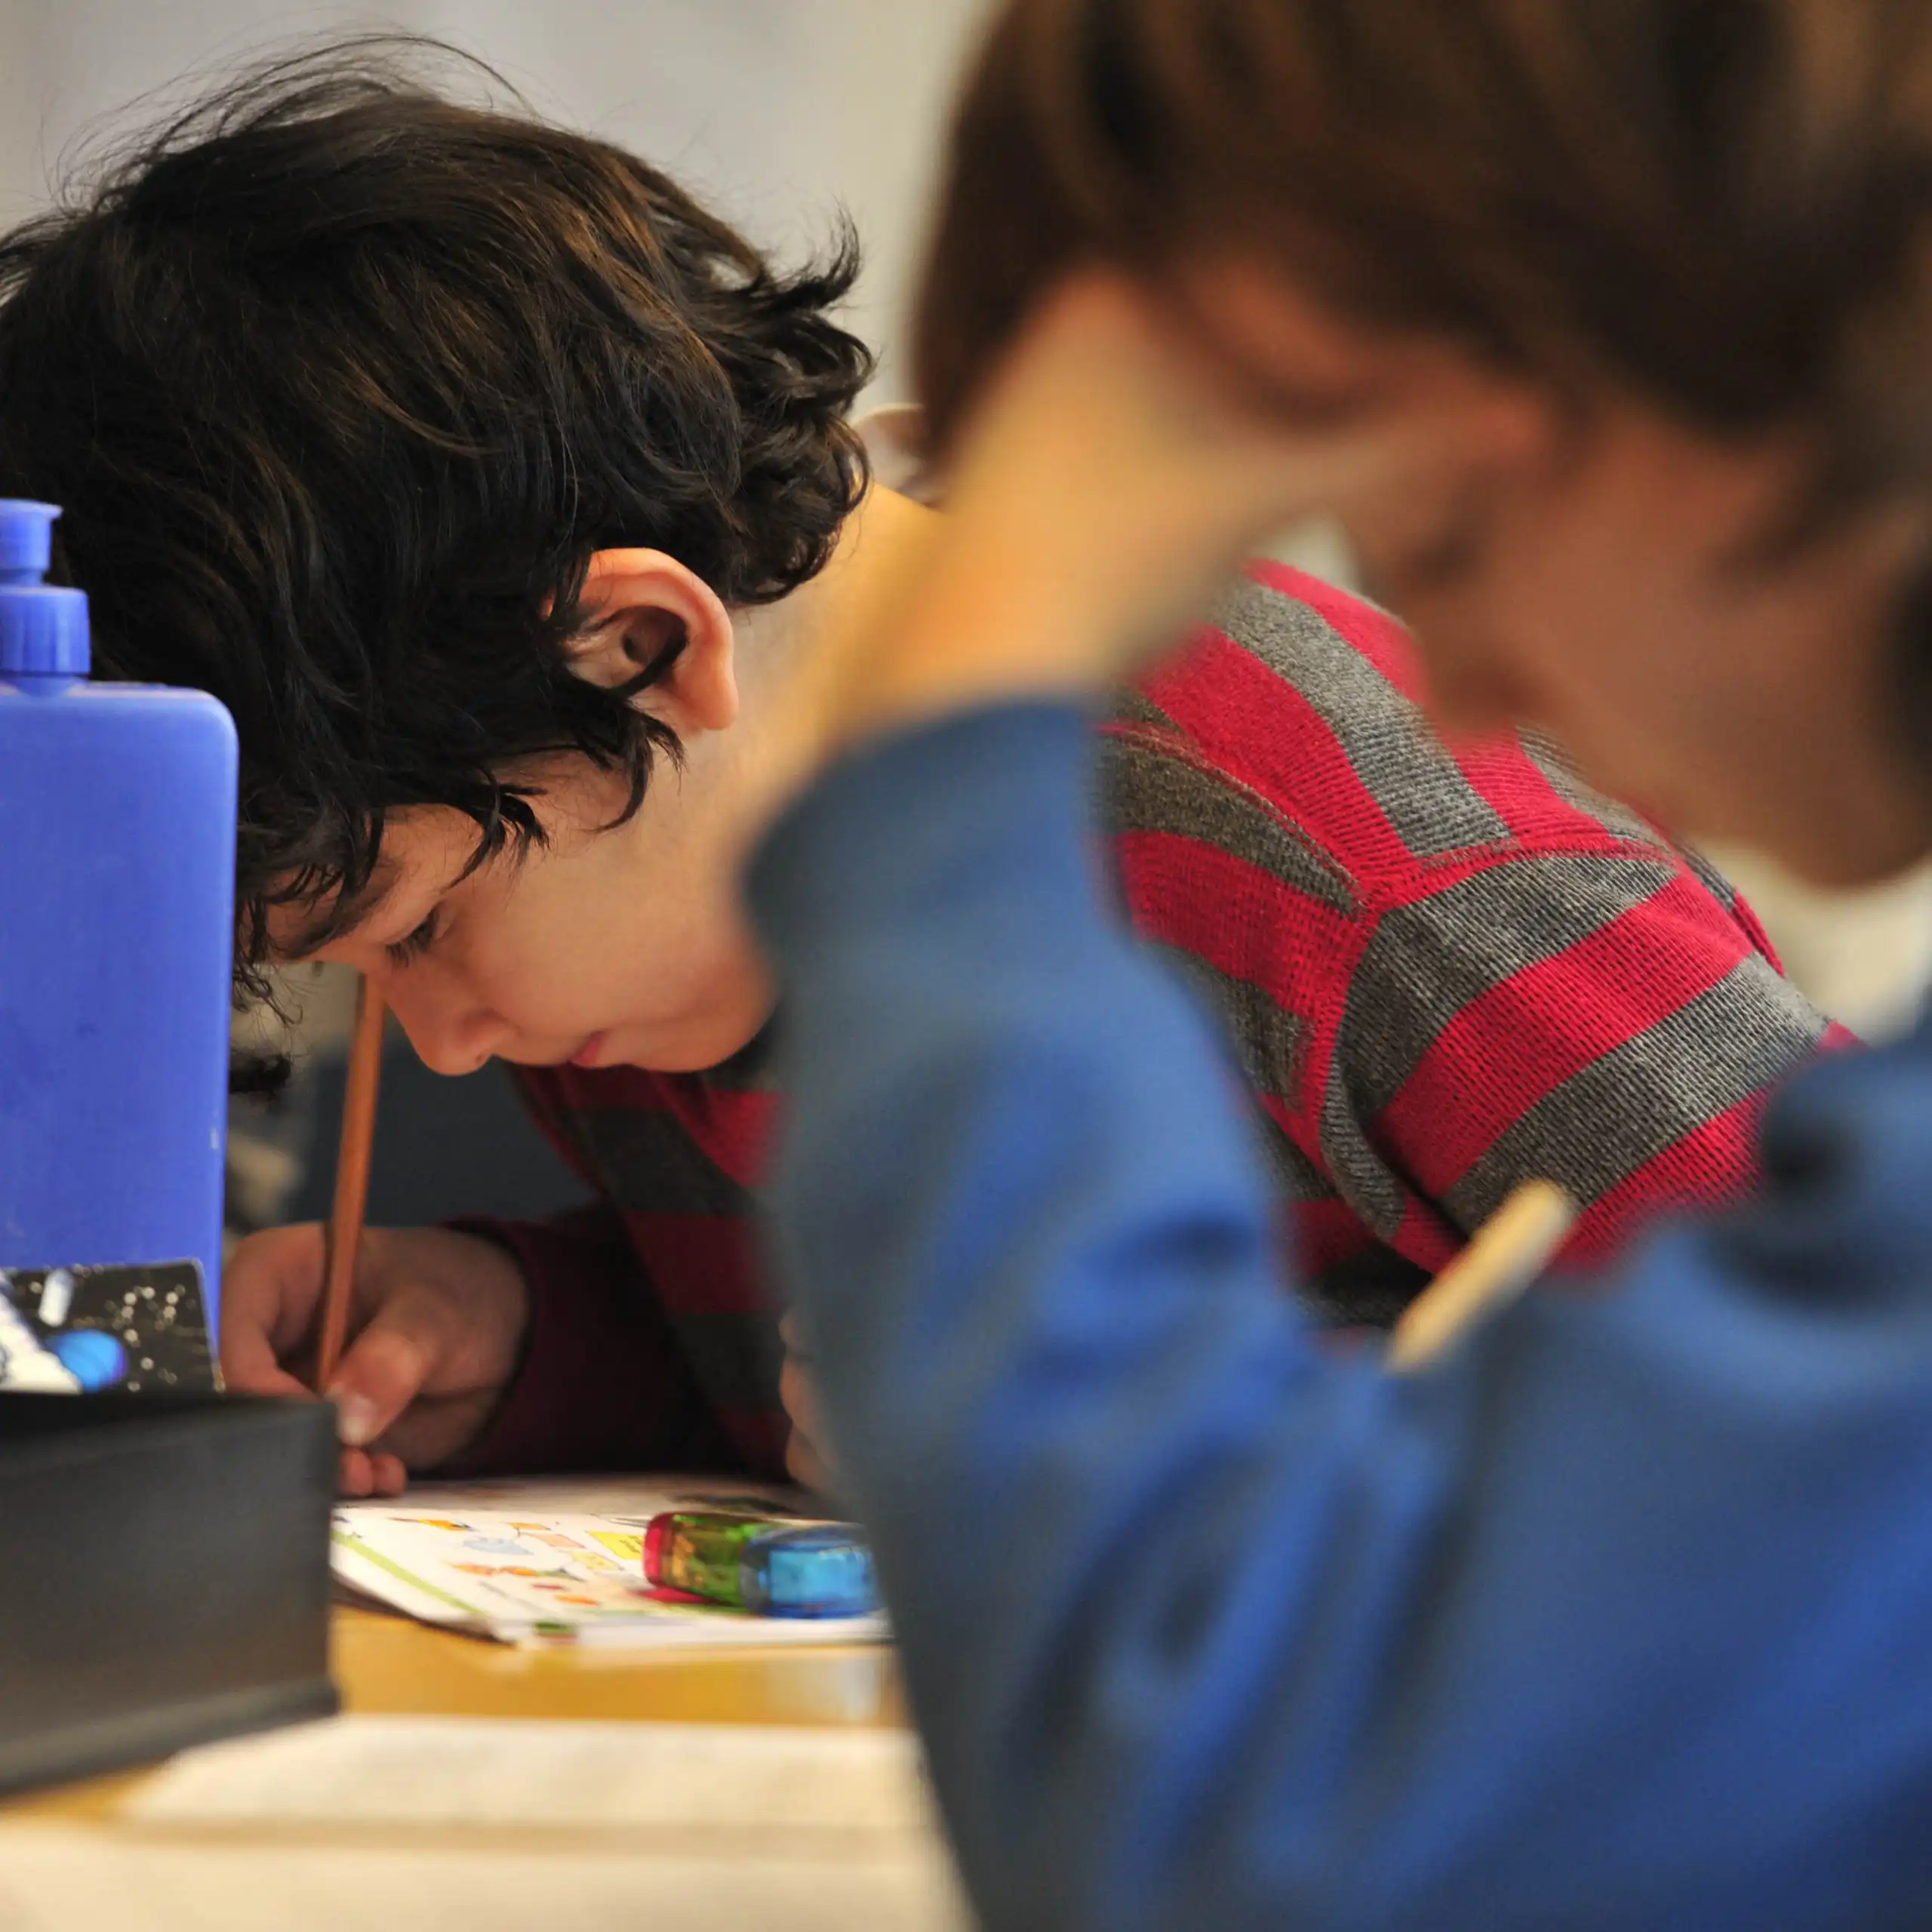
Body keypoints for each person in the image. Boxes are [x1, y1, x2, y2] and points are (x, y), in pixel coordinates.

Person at [0, 48, 1835, 1502]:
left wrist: (1224, 1434)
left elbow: (1852, 1393)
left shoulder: (1331, 849)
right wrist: (531, 1327)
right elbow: (790, 1367)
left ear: (642, 648)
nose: (443, 1038)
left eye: (415, 929)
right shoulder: (654, 887)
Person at [729, 2, 1932, 1926]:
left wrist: (949, 727)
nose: (1451, 685)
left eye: (1441, 530)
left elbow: (1203, 1795)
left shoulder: (1343, 838)